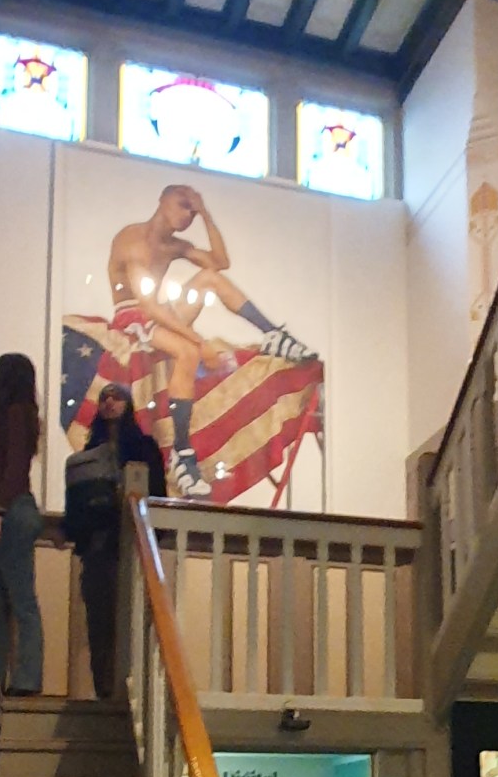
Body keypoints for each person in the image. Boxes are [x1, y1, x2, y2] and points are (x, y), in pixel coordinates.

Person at [108, 185, 314, 498]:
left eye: (192, 210)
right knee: (188, 352)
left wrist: (205, 214)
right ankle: (182, 452)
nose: (187, 214)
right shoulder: (133, 240)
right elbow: (146, 307)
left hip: (157, 314)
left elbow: (220, 262)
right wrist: (199, 340)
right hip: (132, 318)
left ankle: (272, 333)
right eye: (183, 205)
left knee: (210, 279)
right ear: (162, 200)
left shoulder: (175, 245)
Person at [65, 383, 165, 701]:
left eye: (117, 397)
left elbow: (159, 500)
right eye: (104, 397)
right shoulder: (83, 459)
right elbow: (74, 514)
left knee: (137, 624)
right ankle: (105, 692)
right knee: (100, 623)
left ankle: (136, 691)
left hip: (136, 550)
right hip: (98, 549)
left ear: (128, 404)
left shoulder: (145, 449)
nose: (110, 402)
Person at [0, 352, 44, 696]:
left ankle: (20, 678)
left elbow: (14, 469)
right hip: (17, 510)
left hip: (12, 511)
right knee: (6, 599)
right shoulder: (23, 414)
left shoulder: (16, 414)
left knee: (16, 600)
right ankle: (2, 677)